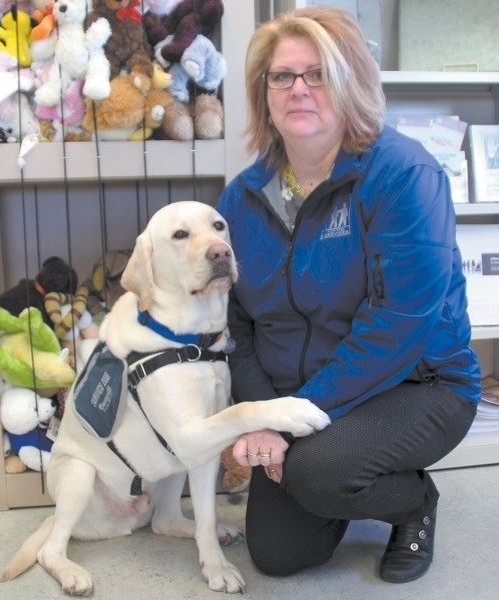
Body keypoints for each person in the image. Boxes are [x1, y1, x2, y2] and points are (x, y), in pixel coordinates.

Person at [216, 5, 481, 585]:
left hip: (419, 383)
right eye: (282, 76)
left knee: (318, 473)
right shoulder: (241, 198)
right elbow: (236, 325)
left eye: (318, 74)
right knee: (278, 555)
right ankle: (337, 477)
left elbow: (398, 326)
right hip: (299, 398)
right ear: (264, 92)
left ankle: (412, 504)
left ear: (351, 82)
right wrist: (262, 416)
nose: (298, 90)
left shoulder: (404, 175)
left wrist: (293, 420)